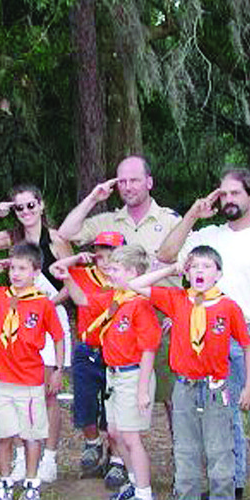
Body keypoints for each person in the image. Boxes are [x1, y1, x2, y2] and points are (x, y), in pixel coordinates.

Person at [158, 168, 250, 500]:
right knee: (224, 414)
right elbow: (165, 255)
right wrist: (192, 214)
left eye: (236, 193)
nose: (229, 200)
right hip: (210, 335)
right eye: (223, 194)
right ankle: (229, 484)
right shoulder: (209, 236)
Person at [57, 155, 182, 480]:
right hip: (116, 321)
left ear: (149, 182)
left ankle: (182, 456)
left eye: (134, 180)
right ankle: (121, 464)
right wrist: (93, 198)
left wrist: (179, 313)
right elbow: (65, 233)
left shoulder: (168, 220)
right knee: (119, 395)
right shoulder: (108, 221)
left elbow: (186, 265)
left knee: (169, 397)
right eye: (122, 181)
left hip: (162, 316)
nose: (127, 186)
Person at [128, 246, 250, 500]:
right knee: (185, 448)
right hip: (183, 386)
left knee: (219, 447)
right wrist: (171, 270)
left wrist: (249, 386)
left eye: (207, 267)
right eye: (194, 266)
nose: (199, 272)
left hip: (215, 387)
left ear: (219, 274)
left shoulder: (228, 307)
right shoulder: (176, 299)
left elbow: (247, 344)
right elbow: (133, 284)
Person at [0, 185, 72, 484]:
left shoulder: (57, 239)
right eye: (19, 207)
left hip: (47, 311)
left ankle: (47, 457)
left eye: (30, 205)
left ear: (41, 204)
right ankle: (24, 457)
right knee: (23, 391)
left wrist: (46, 303)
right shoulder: (10, 238)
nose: (25, 212)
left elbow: (71, 282)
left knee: (46, 391)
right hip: (18, 316)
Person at [63, 243, 161, 500]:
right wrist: (66, 276)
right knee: (116, 433)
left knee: (131, 437)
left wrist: (142, 389)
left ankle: (145, 496)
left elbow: (149, 349)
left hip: (133, 375)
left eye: (115, 268)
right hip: (114, 375)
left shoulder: (140, 305)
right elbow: (83, 301)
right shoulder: (116, 297)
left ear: (132, 272)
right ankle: (133, 482)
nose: (109, 271)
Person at [0, 242, 65, 500]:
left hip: (31, 381)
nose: (16, 274)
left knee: (31, 435)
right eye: (13, 268)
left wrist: (57, 370)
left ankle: (32, 482)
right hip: (1, 381)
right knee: (3, 435)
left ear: (35, 272)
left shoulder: (42, 303)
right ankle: (5, 481)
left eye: (22, 268)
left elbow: (58, 337)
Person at [49, 232, 123, 481]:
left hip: (117, 351)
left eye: (111, 251)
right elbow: (57, 267)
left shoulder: (126, 278)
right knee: (85, 402)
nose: (105, 257)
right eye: (101, 251)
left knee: (114, 407)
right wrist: (76, 259)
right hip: (88, 348)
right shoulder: (82, 274)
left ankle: (117, 457)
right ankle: (92, 444)